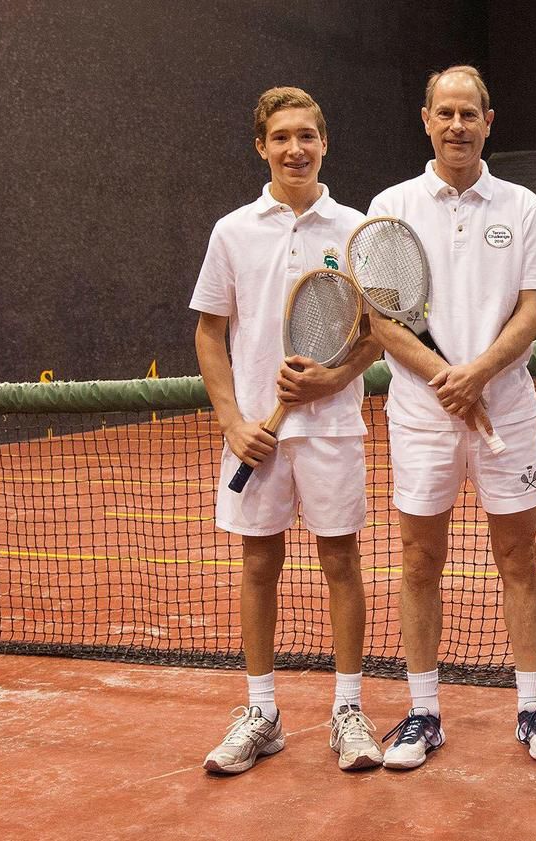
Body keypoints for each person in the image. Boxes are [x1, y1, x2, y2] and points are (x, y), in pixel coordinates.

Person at [366, 65, 536, 768]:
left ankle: (533, 707)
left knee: (519, 557)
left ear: (490, 120)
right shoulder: (390, 206)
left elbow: (531, 310)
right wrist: (445, 380)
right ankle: (424, 712)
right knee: (420, 560)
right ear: (426, 118)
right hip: (421, 417)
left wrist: (478, 373)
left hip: (506, 408)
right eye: (445, 113)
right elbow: (385, 319)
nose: (457, 125)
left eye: (469, 114)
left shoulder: (521, 206)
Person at [192, 87, 384, 774]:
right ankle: (262, 711)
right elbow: (210, 335)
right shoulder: (232, 231)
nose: (294, 148)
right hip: (257, 436)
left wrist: (334, 380)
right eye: (281, 137)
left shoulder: (357, 229)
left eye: (307, 134)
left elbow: (375, 336)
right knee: (257, 566)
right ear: (261, 146)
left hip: (333, 429)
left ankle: (348, 709)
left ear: (324, 142)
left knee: (341, 563)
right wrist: (233, 422)